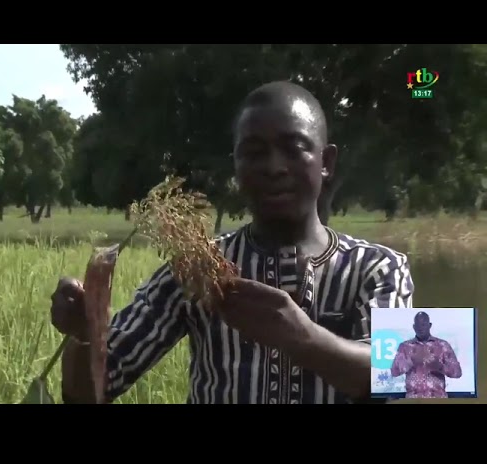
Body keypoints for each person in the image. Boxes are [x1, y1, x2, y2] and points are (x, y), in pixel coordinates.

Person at [50, 80, 414, 404]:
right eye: (254, 152)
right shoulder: (196, 267)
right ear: (236, 166)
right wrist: (85, 334)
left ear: (326, 162)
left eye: (294, 148)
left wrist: (302, 337)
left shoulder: (381, 266)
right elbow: (90, 392)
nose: (274, 167)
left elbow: (413, 376)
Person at [390, 311, 462, 398]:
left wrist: (440, 367)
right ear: (414, 327)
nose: (420, 328)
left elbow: (457, 373)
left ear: (430, 325)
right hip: (413, 399)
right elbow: (394, 372)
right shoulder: (405, 347)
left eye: (423, 324)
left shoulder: (442, 345)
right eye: (418, 325)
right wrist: (410, 362)